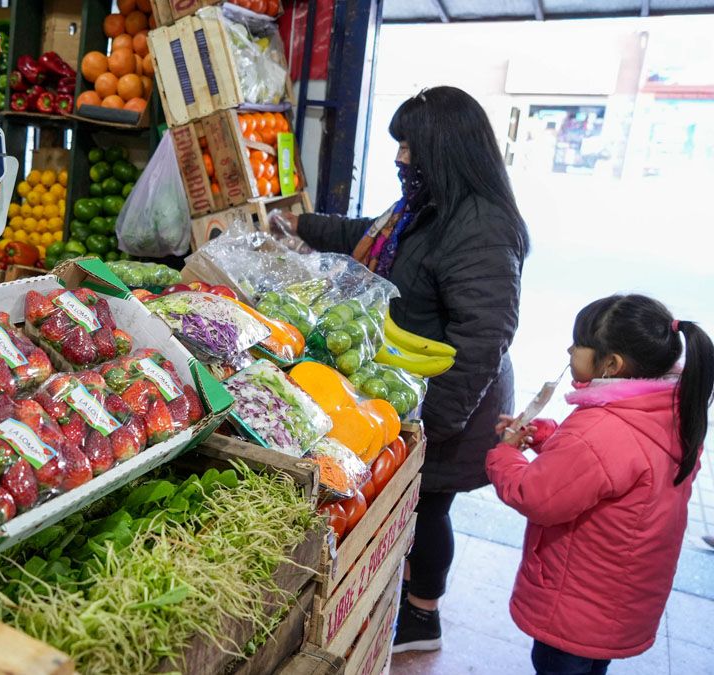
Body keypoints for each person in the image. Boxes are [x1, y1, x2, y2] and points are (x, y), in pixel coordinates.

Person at [272, 86, 529, 652]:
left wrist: (433, 425)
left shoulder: (481, 226)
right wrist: (302, 224)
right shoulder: (427, 207)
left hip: (454, 396)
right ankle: (412, 598)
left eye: (410, 147)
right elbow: (369, 234)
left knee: (428, 505)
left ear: (443, 151)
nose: (400, 158)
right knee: (416, 503)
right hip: (415, 387)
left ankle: (423, 616)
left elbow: (482, 337)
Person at [487, 295, 712, 675]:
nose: (569, 350)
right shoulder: (669, 411)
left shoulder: (600, 430)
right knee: (592, 665)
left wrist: (504, 454)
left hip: (576, 605)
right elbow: (606, 466)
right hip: (618, 603)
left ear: (612, 364)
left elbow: (536, 495)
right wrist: (546, 436)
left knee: (558, 665)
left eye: (578, 343)